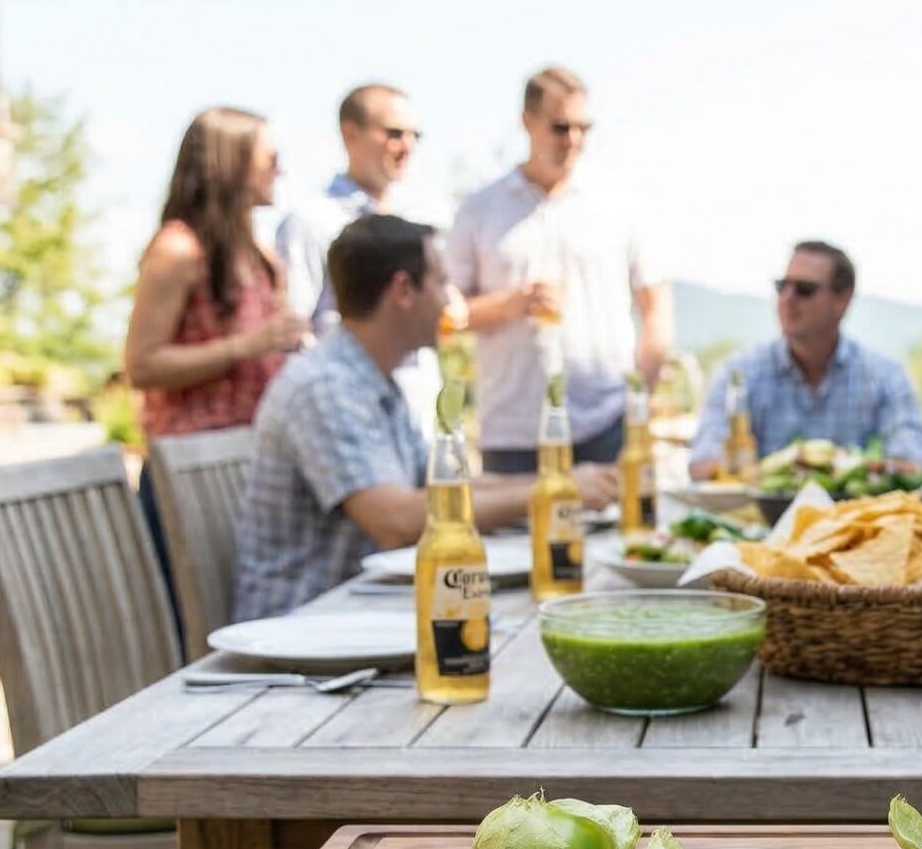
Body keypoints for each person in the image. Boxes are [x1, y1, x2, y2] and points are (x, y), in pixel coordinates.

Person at [231, 214, 615, 622]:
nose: (451, 301)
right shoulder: (323, 387)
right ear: (403, 290)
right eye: (439, 281)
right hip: (304, 636)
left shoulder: (373, 380)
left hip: (360, 620)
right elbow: (396, 520)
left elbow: (440, 490)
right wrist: (552, 493)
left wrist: (557, 483)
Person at [447, 66, 673, 473]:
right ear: (527, 122)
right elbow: (446, 314)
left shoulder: (620, 206)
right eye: (560, 127)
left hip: (606, 424)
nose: (574, 140)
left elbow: (657, 309)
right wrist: (509, 305)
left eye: (584, 128)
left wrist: (641, 401)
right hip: (513, 433)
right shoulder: (478, 209)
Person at [123, 106, 309, 596]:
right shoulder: (178, 250)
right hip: (188, 474)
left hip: (249, 466)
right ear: (231, 162)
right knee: (201, 626)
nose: (280, 170)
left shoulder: (256, 252)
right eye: (269, 158)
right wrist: (248, 345)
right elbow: (141, 365)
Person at [273, 82, 452, 431]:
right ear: (350, 133)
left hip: (416, 419)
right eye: (394, 133)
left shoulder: (417, 216)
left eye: (416, 136)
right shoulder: (312, 221)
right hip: (346, 423)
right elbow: (291, 335)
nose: (408, 146)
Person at [687, 241, 922, 480]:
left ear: (841, 301)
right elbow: (702, 463)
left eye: (804, 289)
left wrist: (842, 469)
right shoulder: (738, 373)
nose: (788, 298)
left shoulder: (887, 378)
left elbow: (912, 465)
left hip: (853, 516)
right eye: (782, 286)